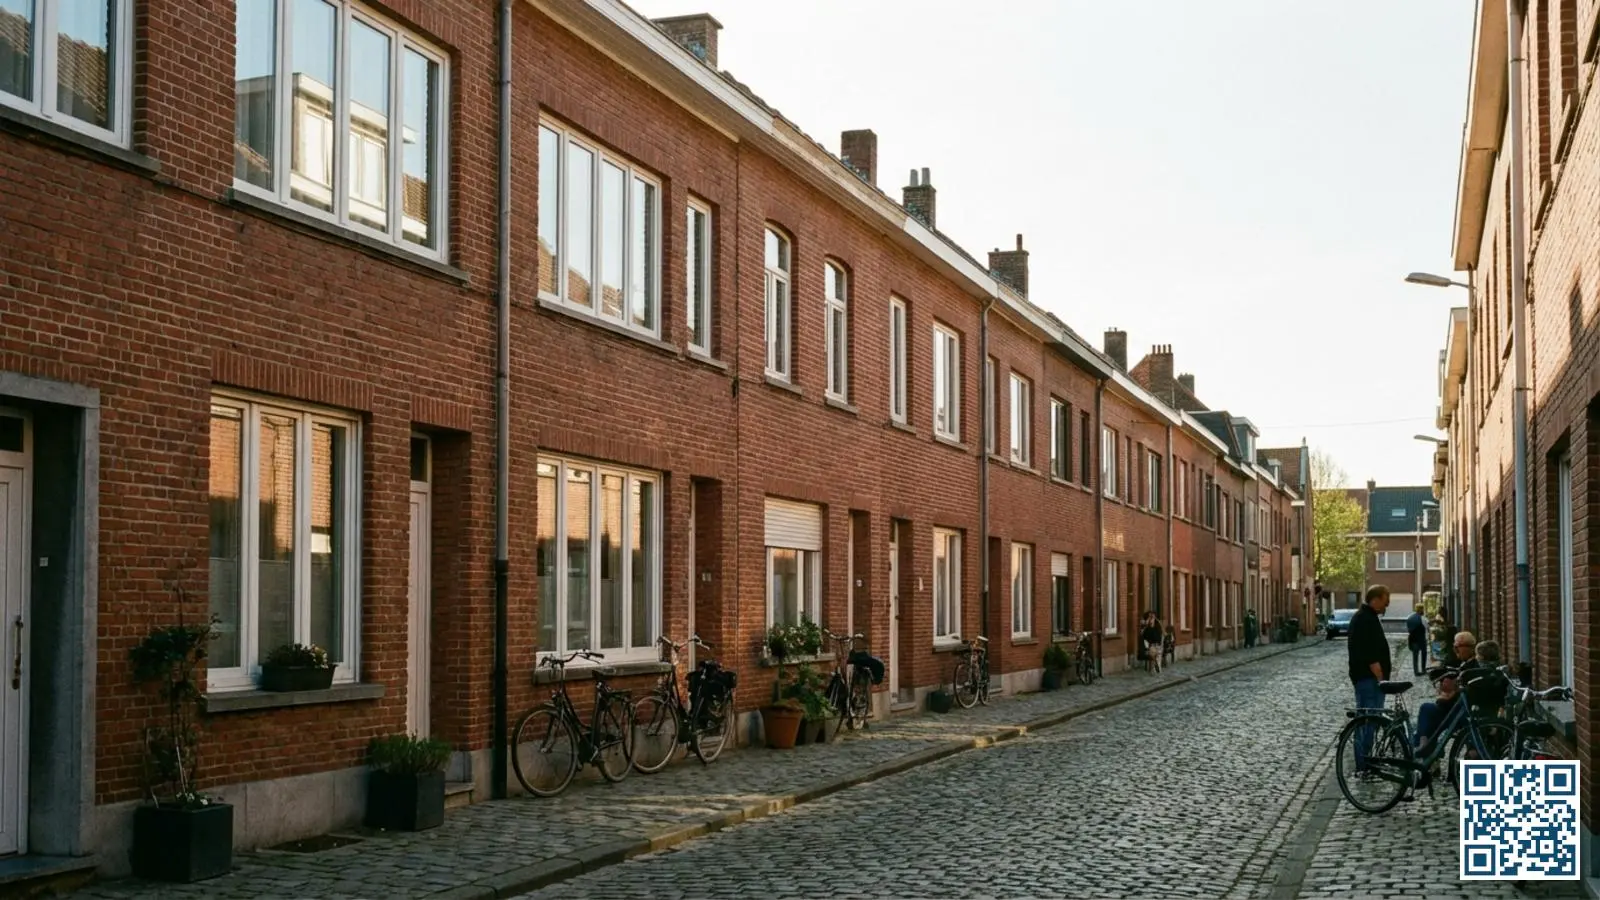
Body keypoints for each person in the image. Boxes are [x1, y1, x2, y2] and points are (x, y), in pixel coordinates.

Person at [1348, 585, 1392, 772]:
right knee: (1368, 721)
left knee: (1369, 721)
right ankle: (1364, 763)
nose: (1387, 606)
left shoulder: (1367, 617)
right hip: (1369, 680)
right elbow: (1369, 653)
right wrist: (1381, 679)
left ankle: (1365, 761)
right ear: (1376, 599)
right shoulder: (1365, 619)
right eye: (1385, 601)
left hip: (1367, 679)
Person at [1405, 608, 1428, 676]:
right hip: (1421, 639)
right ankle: (1423, 669)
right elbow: (1426, 627)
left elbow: (1409, 629)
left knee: (1415, 657)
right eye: (1422, 610)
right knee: (1424, 654)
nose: (1423, 611)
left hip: (1413, 639)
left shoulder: (1410, 617)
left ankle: (1416, 672)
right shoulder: (1422, 619)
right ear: (1420, 610)